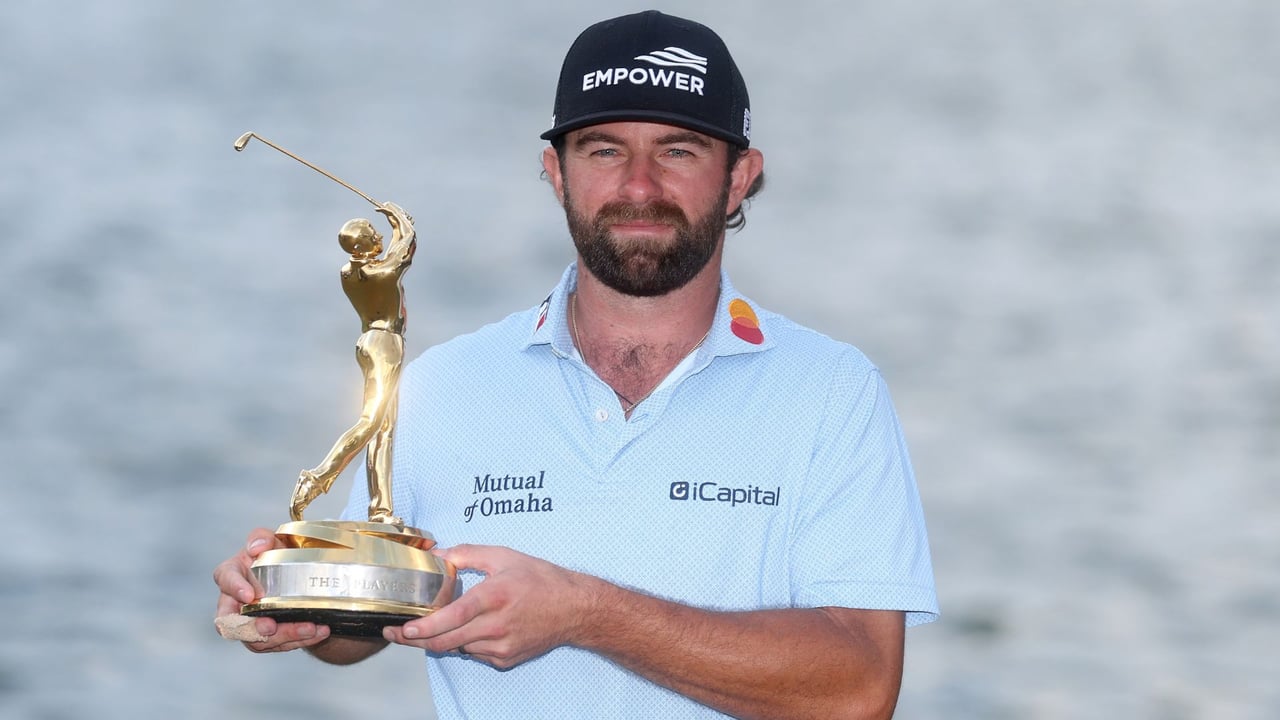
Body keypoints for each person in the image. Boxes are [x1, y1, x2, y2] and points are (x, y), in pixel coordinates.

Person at [214, 10, 937, 720]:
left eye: (679, 151)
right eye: (603, 150)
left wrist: (587, 613)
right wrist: (291, 601)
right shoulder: (442, 385)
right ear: (556, 172)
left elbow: (859, 687)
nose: (640, 186)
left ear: (740, 176)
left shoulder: (832, 393)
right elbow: (370, 616)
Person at [289, 201, 416, 525]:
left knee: (383, 430)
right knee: (371, 422)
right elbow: (405, 249)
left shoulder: (352, 273)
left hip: (369, 342)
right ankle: (317, 478)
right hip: (385, 344)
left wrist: (396, 228)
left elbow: (394, 253)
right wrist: (400, 220)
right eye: (372, 234)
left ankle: (381, 509)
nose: (378, 236)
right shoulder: (380, 272)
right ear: (363, 246)